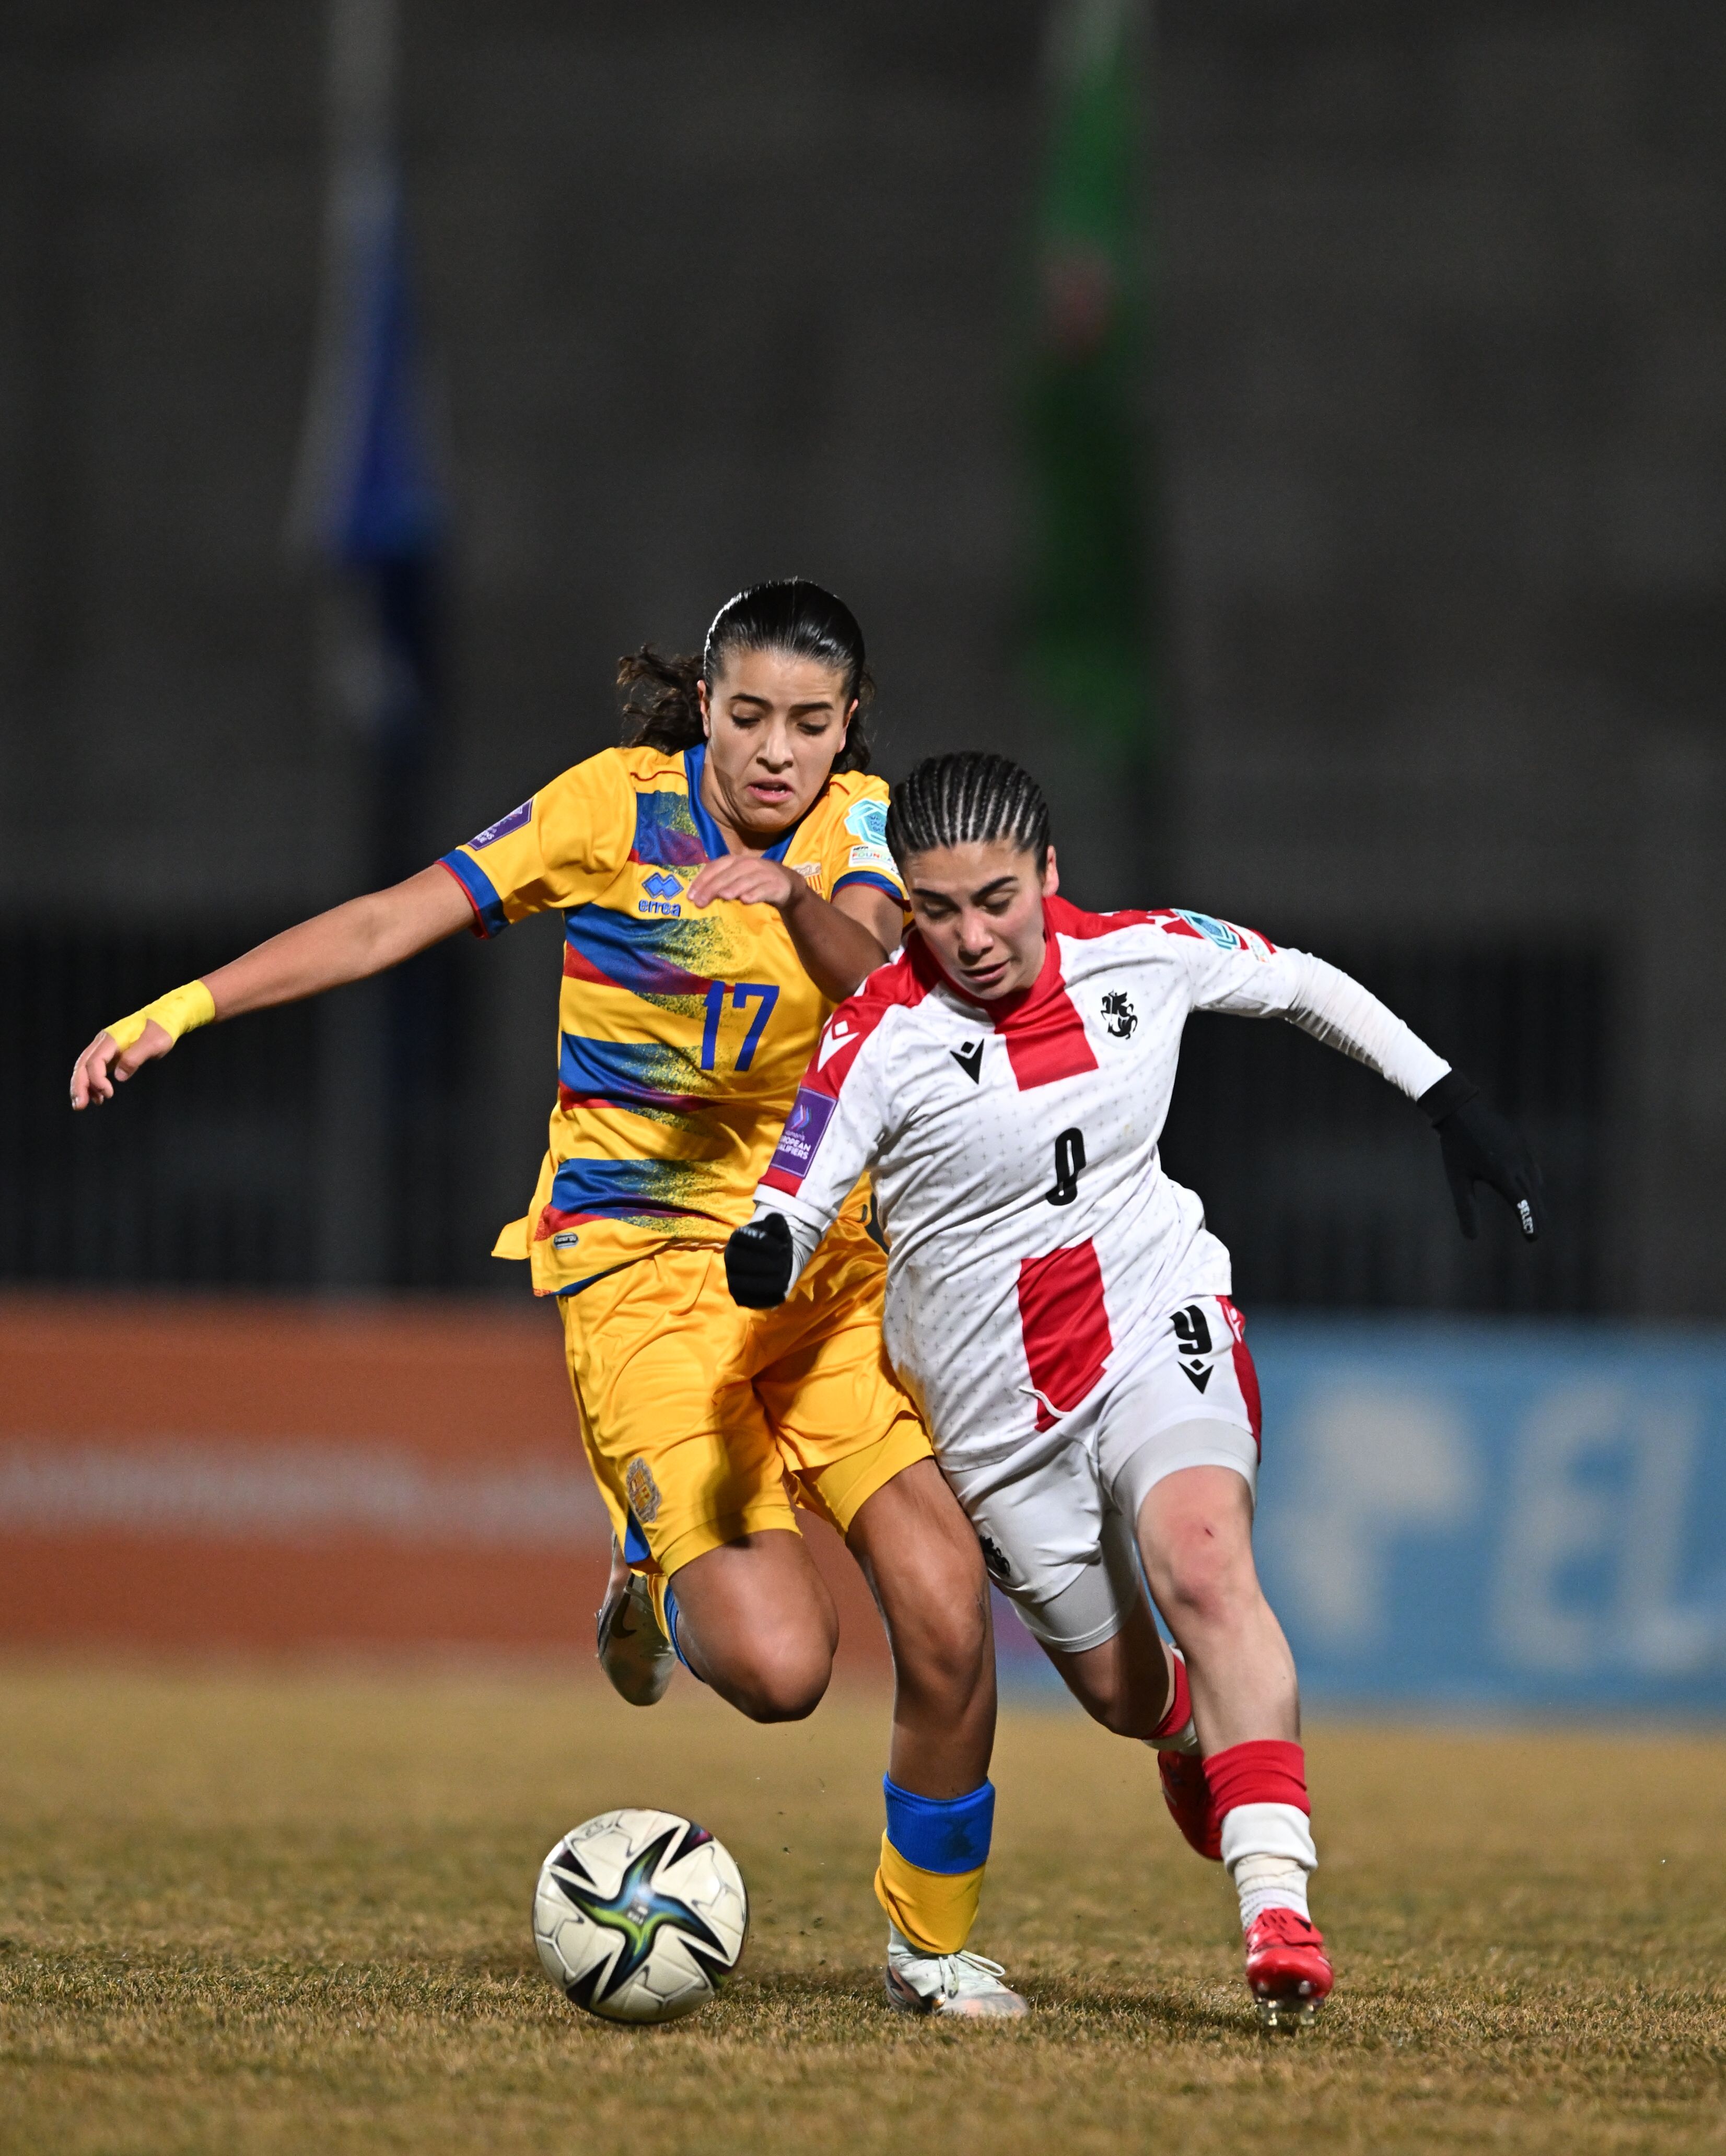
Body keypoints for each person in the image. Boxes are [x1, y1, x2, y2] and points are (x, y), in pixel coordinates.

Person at [68, 587, 1022, 2020]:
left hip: (818, 1279)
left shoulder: (871, 829)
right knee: (780, 1672)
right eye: (749, 715)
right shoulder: (607, 811)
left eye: (811, 725)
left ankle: (932, 1954)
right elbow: (396, 919)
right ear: (704, 704)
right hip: (640, 1279)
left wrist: (799, 900)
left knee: (949, 1612)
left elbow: (890, 979)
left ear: (850, 727)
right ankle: (649, 1577)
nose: (778, 752)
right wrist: (183, 1009)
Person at [724, 748, 1545, 2031]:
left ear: (1049, 873)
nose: (971, 936)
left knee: (1204, 1565)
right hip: (994, 1423)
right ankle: (1181, 1735)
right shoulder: (879, 1030)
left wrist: (1444, 1099)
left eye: (996, 898)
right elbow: (800, 1179)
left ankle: (1276, 1908)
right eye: (934, 910)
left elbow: (1301, 985)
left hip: (1154, 1322)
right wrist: (767, 1242)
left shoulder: (1144, 952)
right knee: (1117, 1690)